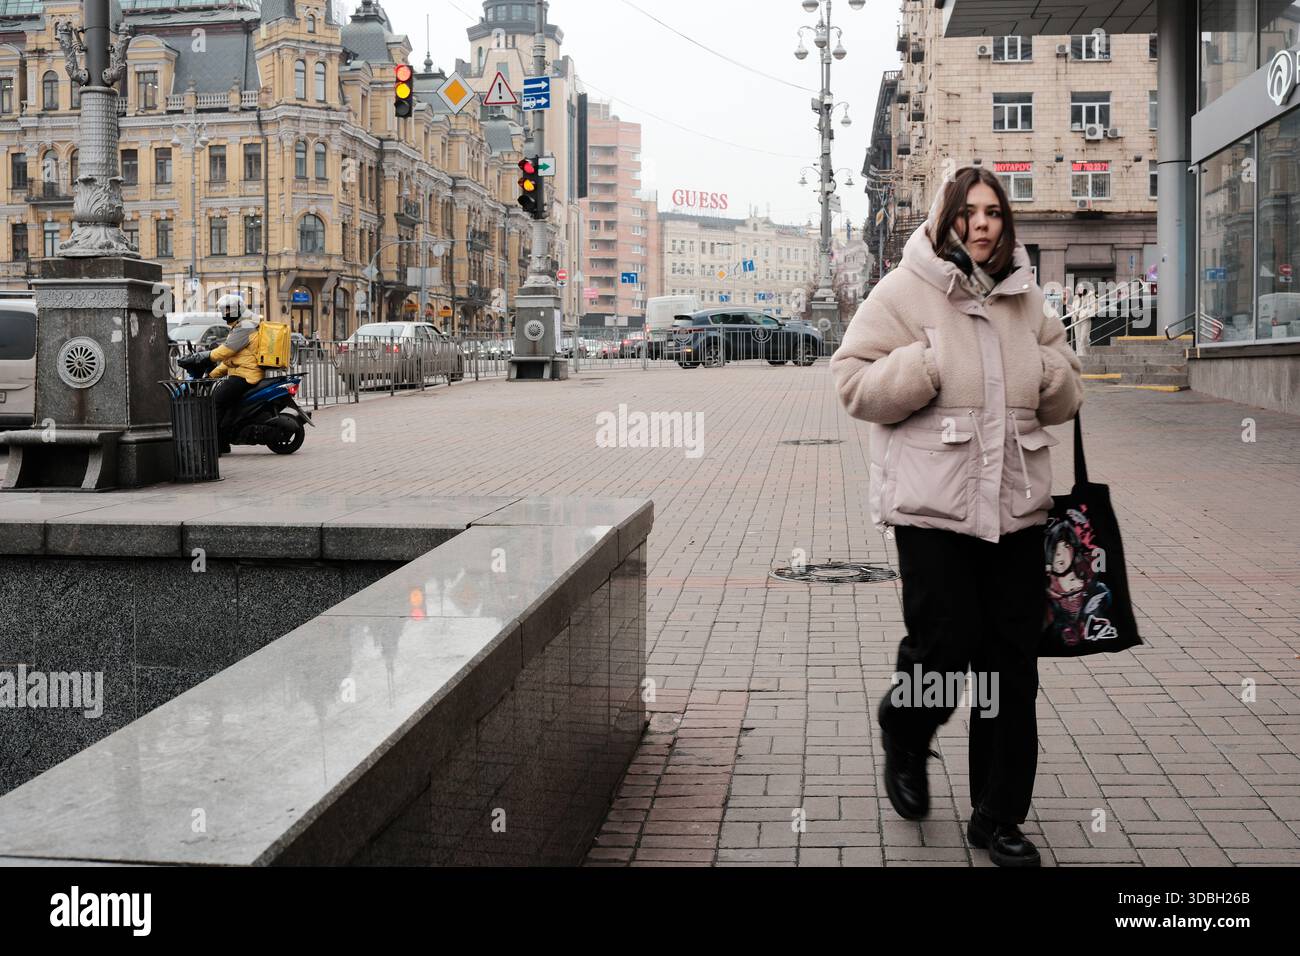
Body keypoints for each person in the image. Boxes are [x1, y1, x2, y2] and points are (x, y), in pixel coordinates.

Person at [830, 166, 1084, 867]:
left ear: (1007, 224)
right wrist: (927, 362)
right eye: (969, 212)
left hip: (1015, 511)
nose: (982, 224)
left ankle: (997, 816)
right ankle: (906, 731)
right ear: (946, 219)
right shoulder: (906, 288)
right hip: (934, 510)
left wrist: (1045, 373)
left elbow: (1067, 389)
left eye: (994, 213)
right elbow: (851, 381)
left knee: (1010, 668)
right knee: (944, 649)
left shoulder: (1027, 298)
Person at [203, 294, 263, 454]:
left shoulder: (245, 326)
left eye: (228, 310)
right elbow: (231, 359)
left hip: (245, 375)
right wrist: (212, 375)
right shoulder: (241, 325)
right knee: (227, 404)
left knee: (216, 400)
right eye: (223, 311)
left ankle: (215, 446)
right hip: (241, 372)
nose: (225, 314)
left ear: (238, 309)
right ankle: (224, 441)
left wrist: (205, 356)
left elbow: (226, 351)